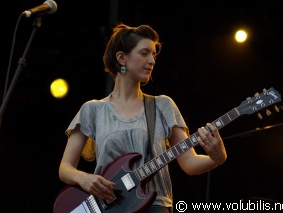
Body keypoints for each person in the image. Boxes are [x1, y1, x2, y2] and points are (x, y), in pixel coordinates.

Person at [58, 22, 227, 213]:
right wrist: (85, 179)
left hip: (155, 207)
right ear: (121, 58)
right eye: (144, 53)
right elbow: (65, 168)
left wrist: (217, 157)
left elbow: (189, 163)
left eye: (154, 55)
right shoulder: (92, 109)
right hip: (107, 208)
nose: (152, 61)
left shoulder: (162, 105)